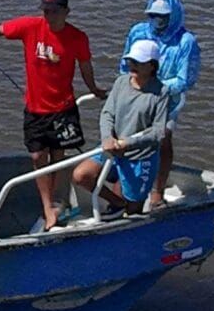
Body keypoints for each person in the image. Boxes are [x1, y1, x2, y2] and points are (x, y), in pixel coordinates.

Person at [0, 0, 104, 229]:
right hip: (35, 108)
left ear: (66, 12)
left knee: (59, 156)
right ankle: (47, 207)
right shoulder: (31, 26)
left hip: (63, 107)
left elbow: (85, 66)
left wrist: (94, 88)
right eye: (45, 11)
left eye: (54, 11)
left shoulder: (78, 37)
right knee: (37, 156)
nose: (49, 16)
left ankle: (58, 201)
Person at [71, 39, 172, 217]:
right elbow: (107, 113)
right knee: (81, 175)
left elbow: (157, 132)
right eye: (131, 60)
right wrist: (107, 138)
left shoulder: (161, 92)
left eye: (138, 62)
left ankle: (129, 214)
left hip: (140, 155)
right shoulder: (121, 82)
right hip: (112, 147)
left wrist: (128, 143)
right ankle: (117, 203)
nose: (132, 65)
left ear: (151, 66)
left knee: (134, 211)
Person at [125, 0, 200, 181]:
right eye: (153, 15)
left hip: (168, 100)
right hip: (137, 94)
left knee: (163, 139)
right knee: (130, 137)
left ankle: (158, 189)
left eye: (162, 16)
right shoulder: (138, 32)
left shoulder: (185, 41)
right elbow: (125, 65)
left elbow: (185, 80)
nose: (157, 20)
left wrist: (154, 87)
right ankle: (130, 186)